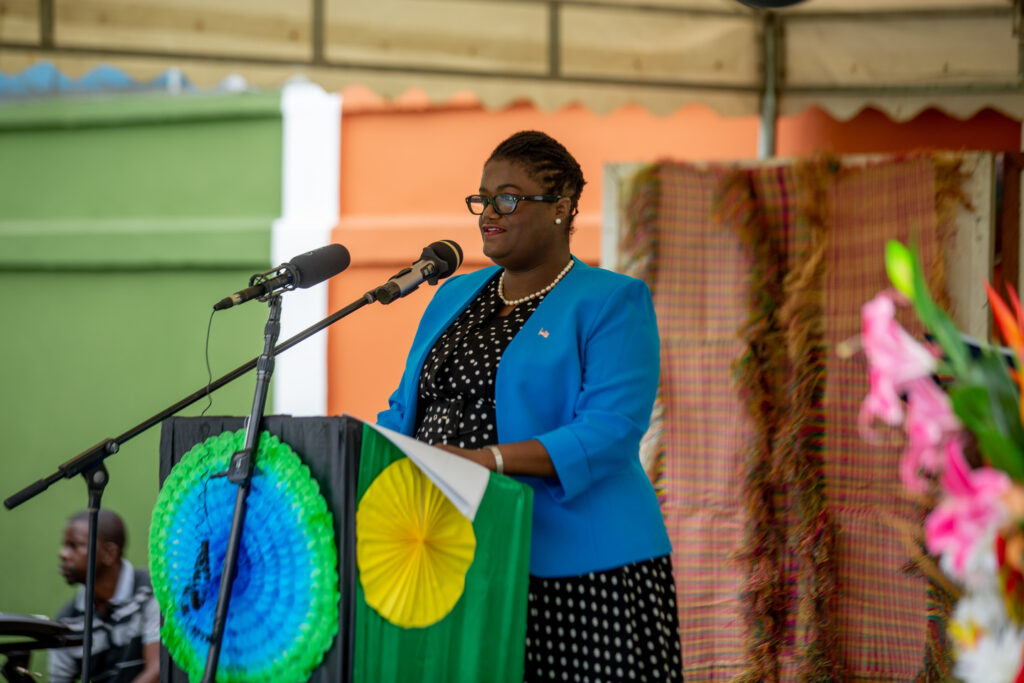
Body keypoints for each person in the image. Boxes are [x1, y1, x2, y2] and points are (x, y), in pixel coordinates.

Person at [377, 130, 683, 681]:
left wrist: (489, 460)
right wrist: (365, 452)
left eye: (509, 198)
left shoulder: (611, 300)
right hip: (455, 550)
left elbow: (610, 431)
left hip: (578, 564)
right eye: (483, 199)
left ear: (561, 208)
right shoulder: (451, 295)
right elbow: (406, 409)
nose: (489, 213)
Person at [49, 508, 160, 683]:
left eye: (74, 545)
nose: (62, 554)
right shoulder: (67, 621)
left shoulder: (150, 593)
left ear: (110, 553)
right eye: (64, 545)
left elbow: (157, 671)